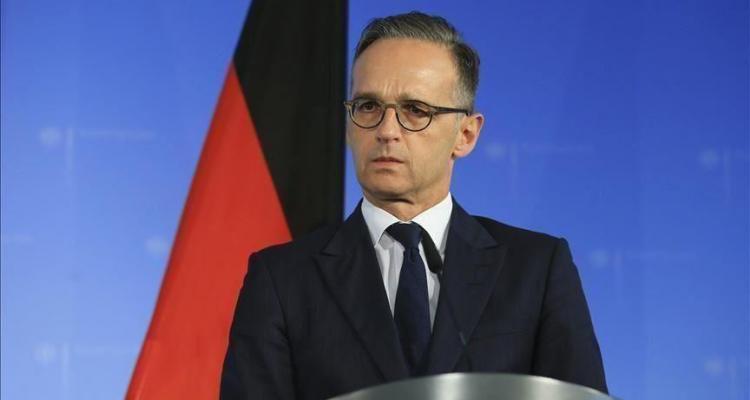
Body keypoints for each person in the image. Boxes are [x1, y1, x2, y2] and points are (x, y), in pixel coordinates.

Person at [221, 11, 607, 399]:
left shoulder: (537, 269)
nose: (387, 130)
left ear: (466, 134)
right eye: (368, 106)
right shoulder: (281, 280)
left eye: (416, 110)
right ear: (348, 124)